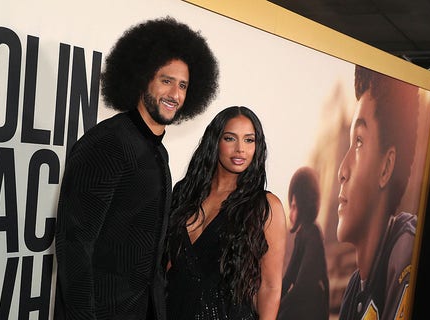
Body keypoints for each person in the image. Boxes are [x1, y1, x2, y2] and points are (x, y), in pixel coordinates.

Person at [54, 17, 219, 320]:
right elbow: (74, 247)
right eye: (166, 80)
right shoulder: (107, 144)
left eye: (183, 85)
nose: (175, 94)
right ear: (143, 77)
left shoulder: (158, 154)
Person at [166, 106, 286, 319]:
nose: (240, 149)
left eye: (249, 140)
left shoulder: (264, 207)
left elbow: (270, 287)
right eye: (231, 138)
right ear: (215, 142)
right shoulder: (184, 193)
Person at [336, 66, 419, 320]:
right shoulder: (354, 288)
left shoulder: (404, 250)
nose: (342, 170)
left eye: (359, 142)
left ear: (386, 167)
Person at [277, 167, 329, 320]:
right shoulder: (302, 235)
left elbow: (303, 286)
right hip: (304, 302)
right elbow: (289, 277)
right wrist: (274, 300)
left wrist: (281, 304)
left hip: (312, 308)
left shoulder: (313, 234)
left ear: (304, 204)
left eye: (293, 206)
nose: (290, 213)